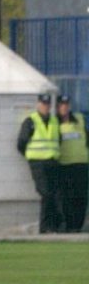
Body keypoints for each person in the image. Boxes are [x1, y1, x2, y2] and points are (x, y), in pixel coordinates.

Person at [17, 93, 61, 233]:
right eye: (43, 104)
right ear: (38, 104)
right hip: (38, 163)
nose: (45, 106)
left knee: (53, 194)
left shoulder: (54, 120)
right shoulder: (31, 121)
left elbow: (58, 140)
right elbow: (21, 143)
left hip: (52, 162)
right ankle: (44, 227)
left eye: (48, 104)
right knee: (46, 193)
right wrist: (30, 156)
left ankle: (51, 226)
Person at [55, 94, 88, 232]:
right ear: (57, 107)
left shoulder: (79, 119)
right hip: (64, 165)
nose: (64, 107)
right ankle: (69, 225)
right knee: (67, 198)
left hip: (81, 164)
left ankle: (77, 226)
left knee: (81, 197)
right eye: (61, 105)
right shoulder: (54, 123)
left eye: (66, 105)